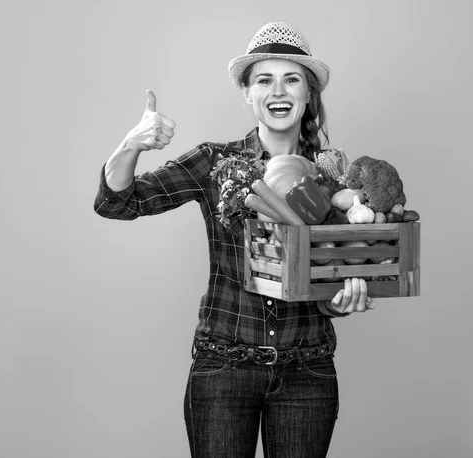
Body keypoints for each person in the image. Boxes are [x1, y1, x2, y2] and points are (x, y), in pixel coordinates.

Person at [94, 21, 375, 458]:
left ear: (307, 94)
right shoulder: (214, 162)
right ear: (247, 92)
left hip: (307, 371)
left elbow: (323, 279)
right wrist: (132, 144)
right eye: (264, 79)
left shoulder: (333, 177)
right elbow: (119, 202)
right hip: (222, 368)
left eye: (291, 79)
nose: (277, 91)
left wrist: (338, 301)